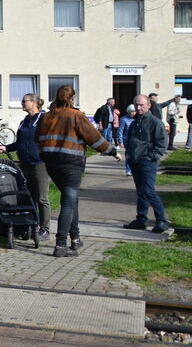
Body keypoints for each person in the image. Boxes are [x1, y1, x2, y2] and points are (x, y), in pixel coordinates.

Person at [36, 85, 120, 257]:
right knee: (68, 201)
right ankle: (60, 245)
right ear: (72, 98)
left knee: (71, 200)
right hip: (71, 164)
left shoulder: (46, 116)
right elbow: (94, 138)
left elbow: (36, 139)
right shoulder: (76, 115)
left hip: (51, 164)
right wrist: (112, 151)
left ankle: (75, 238)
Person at [0, 93, 51, 239]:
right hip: (25, 164)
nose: (22, 104)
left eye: (24, 101)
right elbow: (20, 142)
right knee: (29, 196)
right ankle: (31, 225)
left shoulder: (43, 119)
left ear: (34, 103)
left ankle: (45, 229)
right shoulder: (24, 121)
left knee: (41, 197)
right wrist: (6, 148)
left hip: (39, 163)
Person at [123, 95, 169, 233]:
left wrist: (150, 157)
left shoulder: (155, 122)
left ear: (149, 106)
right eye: (136, 105)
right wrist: (129, 155)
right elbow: (131, 140)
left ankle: (162, 220)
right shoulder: (135, 122)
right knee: (141, 191)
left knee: (148, 191)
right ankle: (141, 219)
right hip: (135, 161)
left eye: (141, 105)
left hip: (148, 162)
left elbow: (162, 145)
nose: (138, 107)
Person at [119, 105, 136, 176]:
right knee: (128, 155)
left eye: (134, 111)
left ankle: (134, 169)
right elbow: (120, 131)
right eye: (131, 112)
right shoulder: (124, 119)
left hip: (135, 139)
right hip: (127, 139)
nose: (133, 113)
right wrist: (120, 141)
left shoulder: (137, 119)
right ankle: (128, 169)